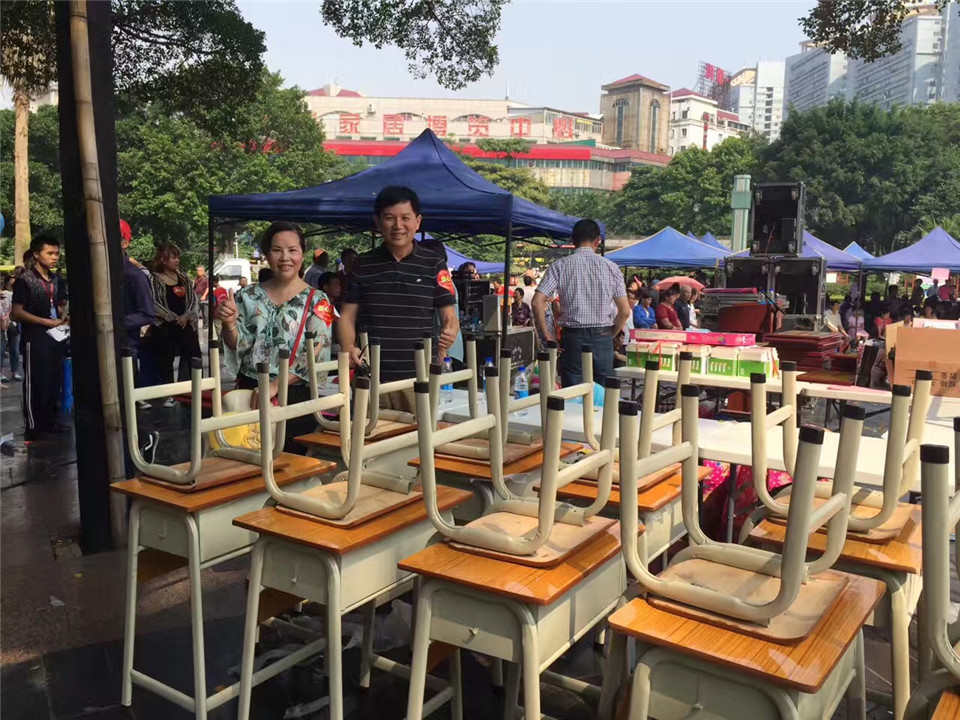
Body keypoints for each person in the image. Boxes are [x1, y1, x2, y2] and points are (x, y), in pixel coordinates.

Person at [339, 186, 458, 412]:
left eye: (405, 218)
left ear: (418, 221)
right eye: (389, 218)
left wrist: (450, 331)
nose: (398, 226)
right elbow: (347, 317)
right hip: (372, 377)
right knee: (369, 433)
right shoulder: (362, 264)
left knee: (419, 434)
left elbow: (449, 315)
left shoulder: (435, 264)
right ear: (377, 221)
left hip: (420, 378)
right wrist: (348, 347)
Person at [215, 222, 333, 425]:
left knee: (292, 446)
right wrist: (229, 323)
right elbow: (238, 344)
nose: (285, 257)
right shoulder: (247, 296)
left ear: (302, 254)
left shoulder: (319, 300)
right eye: (277, 250)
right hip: (250, 392)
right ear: (267, 255)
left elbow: (317, 353)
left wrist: (274, 386)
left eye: (292, 250)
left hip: (295, 396)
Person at [533, 219, 629, 387]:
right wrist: (611, 334)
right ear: (597, 241)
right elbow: (625, 311)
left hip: (573, 338)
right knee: (603, 392)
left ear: (573, 240)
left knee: (573, 391)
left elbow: (536, 302)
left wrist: (548, 334)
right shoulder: (612, 268)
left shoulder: (559, 266)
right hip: (602, 336)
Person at [11, 235, 69, 440]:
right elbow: (17, 312)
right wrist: (45, 321)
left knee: (55, 380)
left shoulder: (56, 279)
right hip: (34, 337)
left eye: (57, 253)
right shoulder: (25, 280)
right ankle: (34, 426)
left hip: (56, 336)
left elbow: (58, 304)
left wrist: (63, 316)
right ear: (36, 254)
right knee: (37, 382)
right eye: (49, 253)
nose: (54, 257)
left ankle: (51, 421)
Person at [145, 243, 200, 404]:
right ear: (163, 260)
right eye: (173, 257)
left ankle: (189, 390)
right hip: (165, 326)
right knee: (166, 360)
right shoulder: (155, 279)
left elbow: (192, 299)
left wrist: (186, 316)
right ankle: (168, 393)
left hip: (185, 323)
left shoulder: (184, 277)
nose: (177, 260)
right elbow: (154, 302)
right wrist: (171, 317)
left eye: (177, 257)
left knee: (192, 355)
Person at [120, 220, 157, 407]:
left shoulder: (135, 276)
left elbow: (148, 314)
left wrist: (115, 323)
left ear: (125, 243)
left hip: (125, 350)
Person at [0, 273, 21, 382]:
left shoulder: (12, 295)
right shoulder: (6, 294)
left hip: (12, 323)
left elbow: (16, 309)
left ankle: (14, 371)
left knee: (14, 349)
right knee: (1, 349)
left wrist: (7, 317)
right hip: (2, 324)